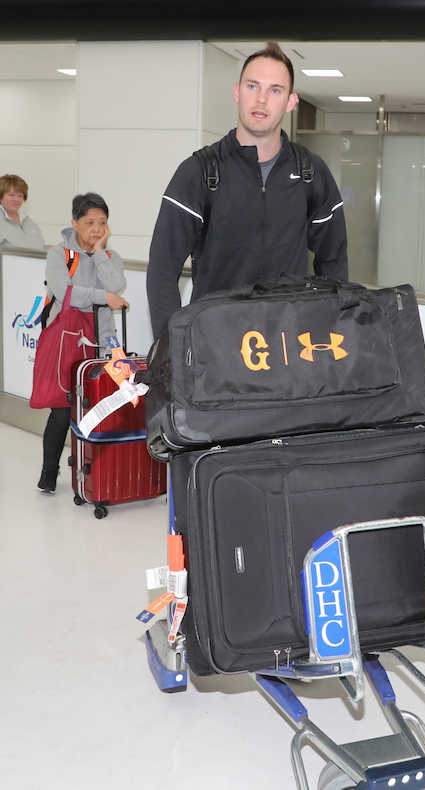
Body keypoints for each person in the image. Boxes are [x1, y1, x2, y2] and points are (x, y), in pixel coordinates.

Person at [146, 41, 348, 339]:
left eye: (275, 90)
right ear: (237, 92)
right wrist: (172, 351)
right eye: (253, 86)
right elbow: (163, 270)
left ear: (291, 102)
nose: (262, 99)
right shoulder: (200, 171)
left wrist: (326, 335)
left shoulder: (311, 173)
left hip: (287, 348)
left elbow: (334, 266)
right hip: (215, 349)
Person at [37, 192, 128, 493]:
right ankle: (49, 473)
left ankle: (94, 474)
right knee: (63, 408)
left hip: (103, 339)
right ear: (74, 223)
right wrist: (103, 298)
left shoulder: (111, 256)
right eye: (89, 222)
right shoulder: (59, 254)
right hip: (68, 340)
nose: (96, 228)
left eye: (102, 222)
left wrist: (100, 251)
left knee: (104, 403)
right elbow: (65, 293)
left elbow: (117, 285)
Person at [1, 173, 45, 250]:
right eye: (11, 195)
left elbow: (40, 246)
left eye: (20, 196)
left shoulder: (28, 221)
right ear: (0, 197)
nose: (16, 199)